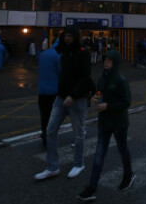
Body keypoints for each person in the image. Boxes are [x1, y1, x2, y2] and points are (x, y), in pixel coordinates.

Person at [35, 26, 91, 181]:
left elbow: (85, 76)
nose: (67, 39)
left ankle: (79, 164)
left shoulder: (83, 52)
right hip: (60, 98)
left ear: (75, 37)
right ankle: (52, 167)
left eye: (69, 36)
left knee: (78, 134)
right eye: (65, 36)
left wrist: (73, 95)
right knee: (50, 130)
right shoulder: (63, 51)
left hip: (77, 99)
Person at [77, 47, 134, 201]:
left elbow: (126, 102)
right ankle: (92, 188)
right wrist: (95, 98)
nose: (105, 62)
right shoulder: (102, 79)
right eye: (105, 59)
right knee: (98, 156)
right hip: (104, 123)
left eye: (109, 60)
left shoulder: (120, 80)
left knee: (123, 151)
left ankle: (128, 175)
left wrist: (107, 106)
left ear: (115, 62)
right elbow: (100, 94)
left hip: (119, 123)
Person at [38, 35, 62, 147]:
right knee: (54, 116)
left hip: (42, 90)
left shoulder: (43, 54)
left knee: (44, 115)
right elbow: (61, 72)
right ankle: (50, 138)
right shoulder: (58, 55)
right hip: (54, 90)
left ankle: (44, 135)